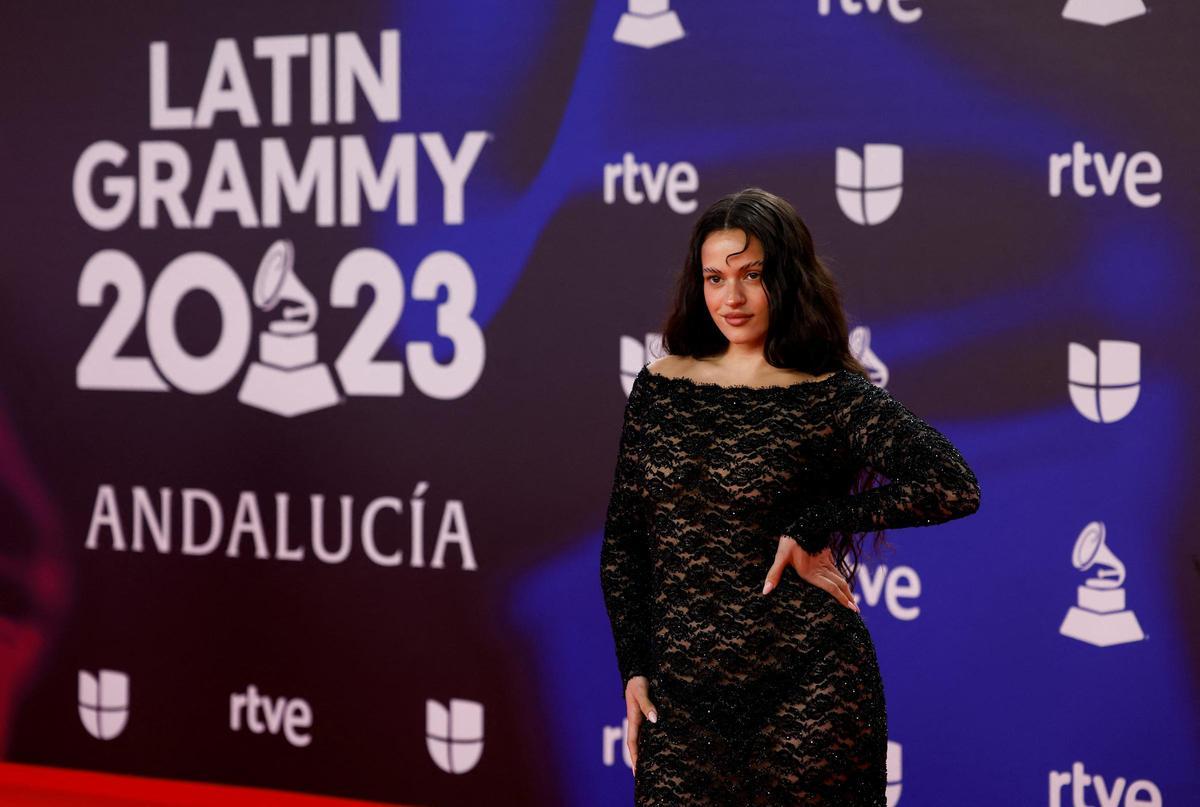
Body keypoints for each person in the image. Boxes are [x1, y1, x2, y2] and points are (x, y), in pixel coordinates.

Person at [599, 187, 982, 805]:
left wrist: (817, 522)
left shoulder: (831, 394)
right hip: (682, 699)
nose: (732, 297)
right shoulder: (658, 386)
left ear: (789, 278)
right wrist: (635, 667)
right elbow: (624, 541)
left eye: (752, 275)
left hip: (809, 691)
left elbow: (953, 482)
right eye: (715, 277)